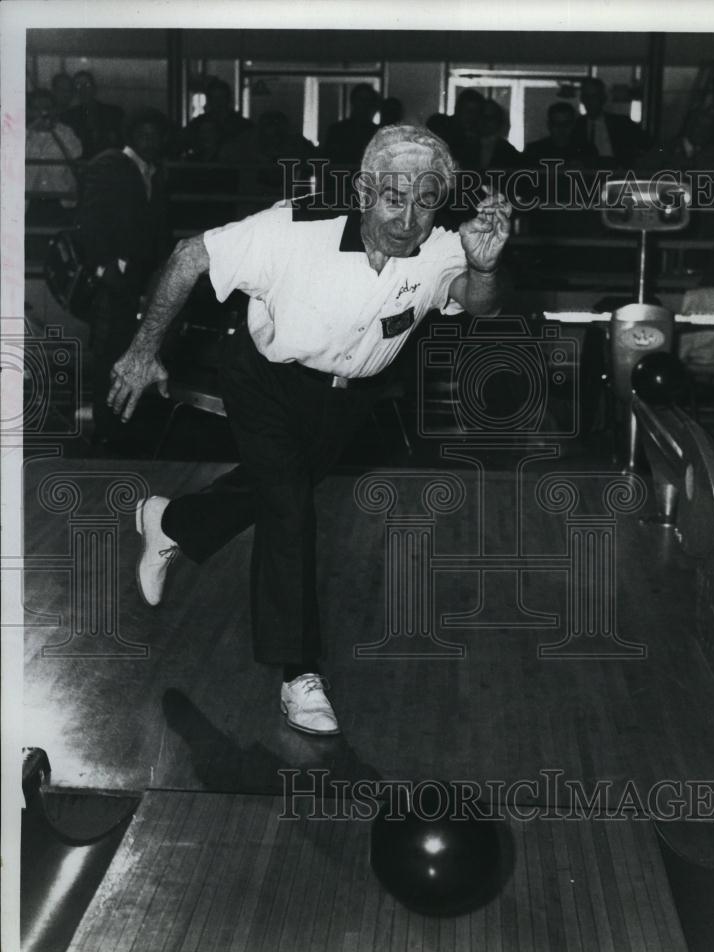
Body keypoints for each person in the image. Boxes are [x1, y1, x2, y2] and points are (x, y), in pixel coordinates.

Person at [106, 124, 512, 737]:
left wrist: (484, 267)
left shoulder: (444, 247)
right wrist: (143, 350)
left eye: (424, 201)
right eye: (392, 198)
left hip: (349, 397)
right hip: (264, 375)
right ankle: (298, 675)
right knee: (289, 510)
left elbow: (478, 302)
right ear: (363, 190)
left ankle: (173, 522)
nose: (407, 218)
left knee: (277, 491)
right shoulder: (290, 231)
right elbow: (191, 255)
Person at [77, 107, 171, 449]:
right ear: (131, 136)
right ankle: (106, 427)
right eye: (143, 134)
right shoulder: (110, 164)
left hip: (139, 276)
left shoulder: (151, 172)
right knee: (109, 351)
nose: (150, 141)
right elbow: (91, 219)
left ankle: (121, 425)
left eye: (155, 135)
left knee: (129, 349)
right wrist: (105, 267)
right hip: (116, 276)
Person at [25, 88, 82, 222]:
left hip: (60, 197)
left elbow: (77, 151)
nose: (43, 112)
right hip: (29, 199)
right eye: (37, 108)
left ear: (54, 110)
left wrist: (54, 131)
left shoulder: (65, 131)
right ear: (29, 110)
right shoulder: (21, 133)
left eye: (47, 107)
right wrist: (30, 130)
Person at [571, 76, 650, 169]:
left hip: (618, 177)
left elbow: (649, 145)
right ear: (582, 99)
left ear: (603, 98)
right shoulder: (575, 126)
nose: (590, 101)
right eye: (586, 96)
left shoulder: (622, 124)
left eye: (594, 96)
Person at [59, 70, 125, 159]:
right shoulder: (68, 116)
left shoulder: (114, 113)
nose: (83, 90)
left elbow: (123, 145)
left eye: (87, 85)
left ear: (94, 88)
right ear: (74, 91)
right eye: (78, 86)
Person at [182, 77, 253, 156]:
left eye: (221, 98)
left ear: (228, 99)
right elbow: (185, 142)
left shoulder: (242, 125)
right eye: (215, 98)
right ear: (209, 100)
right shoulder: (197, 124)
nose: (218, 102)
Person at [322, 83, 381, 168]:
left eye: (367, 100)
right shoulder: (337, 131)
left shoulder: (337, 130)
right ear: (353, 102)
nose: (363, 104)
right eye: (361, 100)